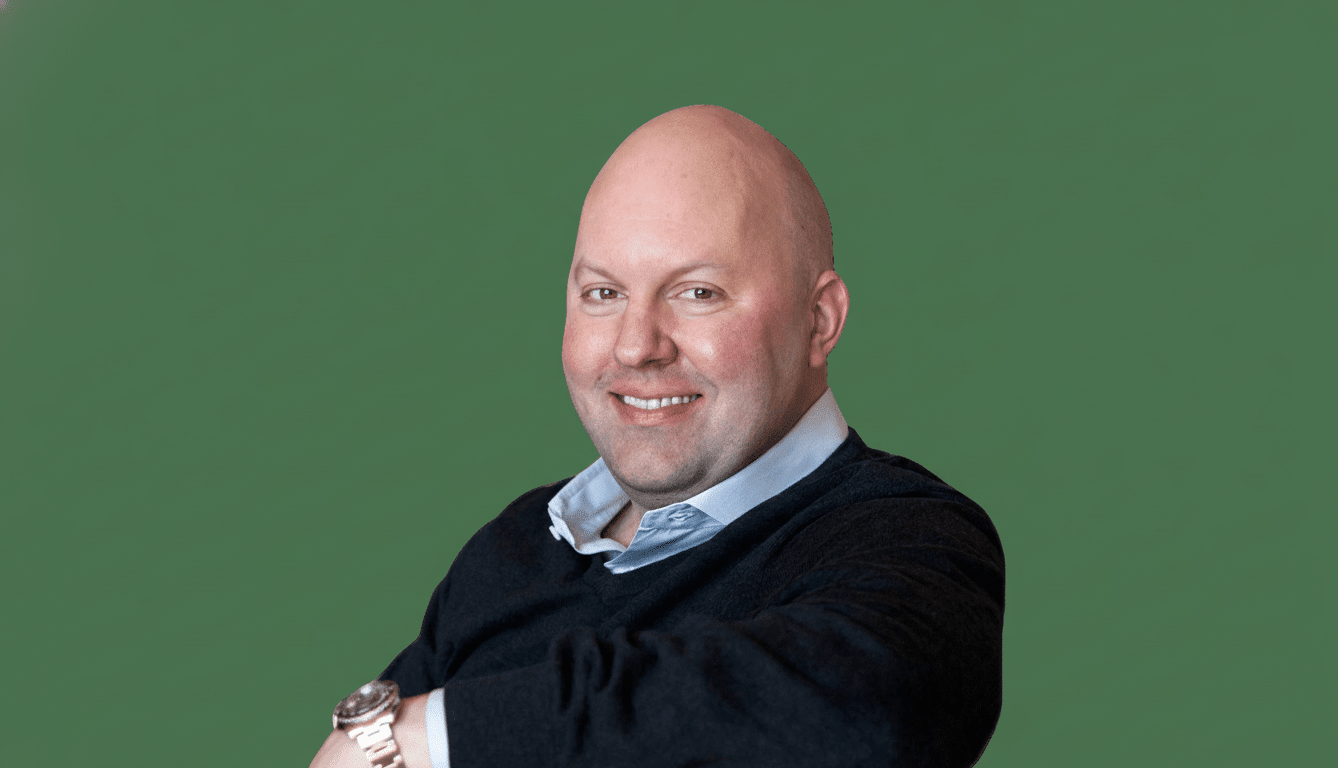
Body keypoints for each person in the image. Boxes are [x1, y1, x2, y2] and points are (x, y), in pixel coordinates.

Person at [311, 105, 1005, 768]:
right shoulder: (513, 551)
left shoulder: (912, 539)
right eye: (603, 294)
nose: (637, 346)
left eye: (696, 292)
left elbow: (866, 717)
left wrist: (431, 736)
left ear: (819, 320)